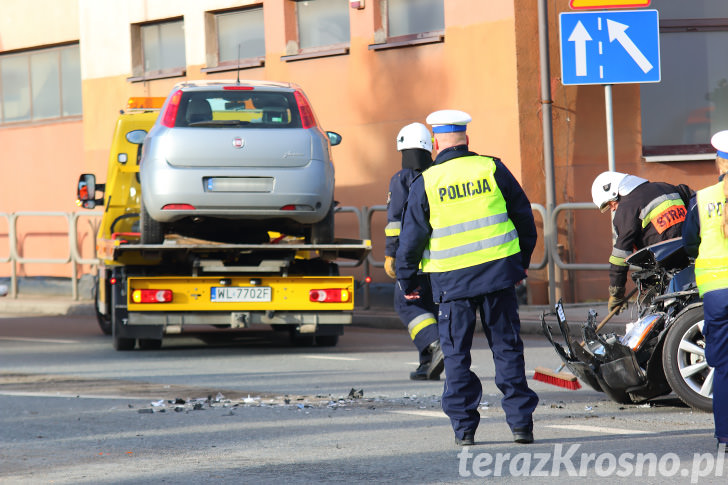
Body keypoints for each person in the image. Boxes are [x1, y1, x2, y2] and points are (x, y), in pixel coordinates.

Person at [396, 109, 539, 446]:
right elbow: (524, 219)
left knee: (457, 355)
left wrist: (407, 280)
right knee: (507, 350)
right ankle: (521, 426)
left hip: (451, 284)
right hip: (498, 278)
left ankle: (464, 431)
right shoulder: (492, 168)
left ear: (435, 143)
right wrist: (521, 264)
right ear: (467, 140)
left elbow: (411, 240)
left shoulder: (427, 182)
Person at [384, 122, 444, 380]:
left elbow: (396, 221)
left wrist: (391, 255)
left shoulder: (401, 179)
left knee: (407, 304)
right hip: (440, 258)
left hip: (414, 256)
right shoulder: (440, 174)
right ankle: (428, 364)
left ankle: (435, 343)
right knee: (430, 307)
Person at [682, 130, 728, 450]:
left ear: (719, 162)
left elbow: (689, 243)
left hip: (717, 294)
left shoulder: (702, 198)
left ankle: (725, 436)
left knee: (723, 365)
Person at [591, 171, 693, 313]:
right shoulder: (665, 187)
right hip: (691, 254)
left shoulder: (626, 209)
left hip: (667, 264)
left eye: (611, 204)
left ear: (615, 192)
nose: (613, 208)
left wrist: (616, 293)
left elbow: (619, 256)